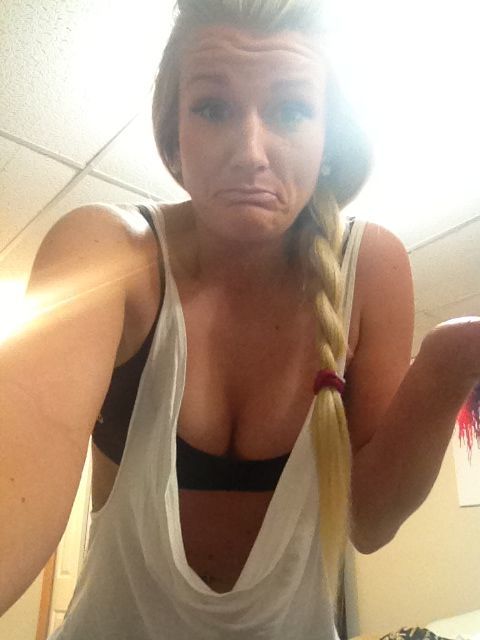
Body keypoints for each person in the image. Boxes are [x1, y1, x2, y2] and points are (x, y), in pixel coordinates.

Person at [1, 1, 479, 638]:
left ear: (327, 141)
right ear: (174, 140)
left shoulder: (370, 267)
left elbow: (369, 523)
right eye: (212, 107)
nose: (250, 152)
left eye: (291, 110)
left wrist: (451, 359)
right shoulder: (107, 253)